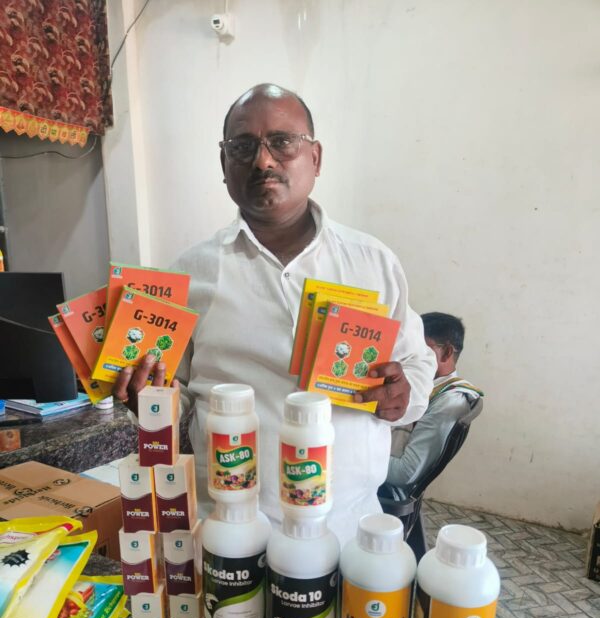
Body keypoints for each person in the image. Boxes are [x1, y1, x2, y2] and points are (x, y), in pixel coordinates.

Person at [114, 83, 436, 546]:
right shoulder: (189, 274)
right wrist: (148, 400)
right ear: (223, 164)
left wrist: (404, 395)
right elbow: (175, 397)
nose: (263, 161)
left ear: (316, 158)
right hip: (229, 530)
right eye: (243, 147)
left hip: (350, 528)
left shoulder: (372, 262)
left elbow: (417, 361)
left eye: (282, 142)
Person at [386, 312, 483, 500]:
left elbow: (405, 474)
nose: (410, 356)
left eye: (420, 349)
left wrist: (356, 456)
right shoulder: (422, 385)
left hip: (388, 490)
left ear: (447, 352)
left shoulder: (450, 402)